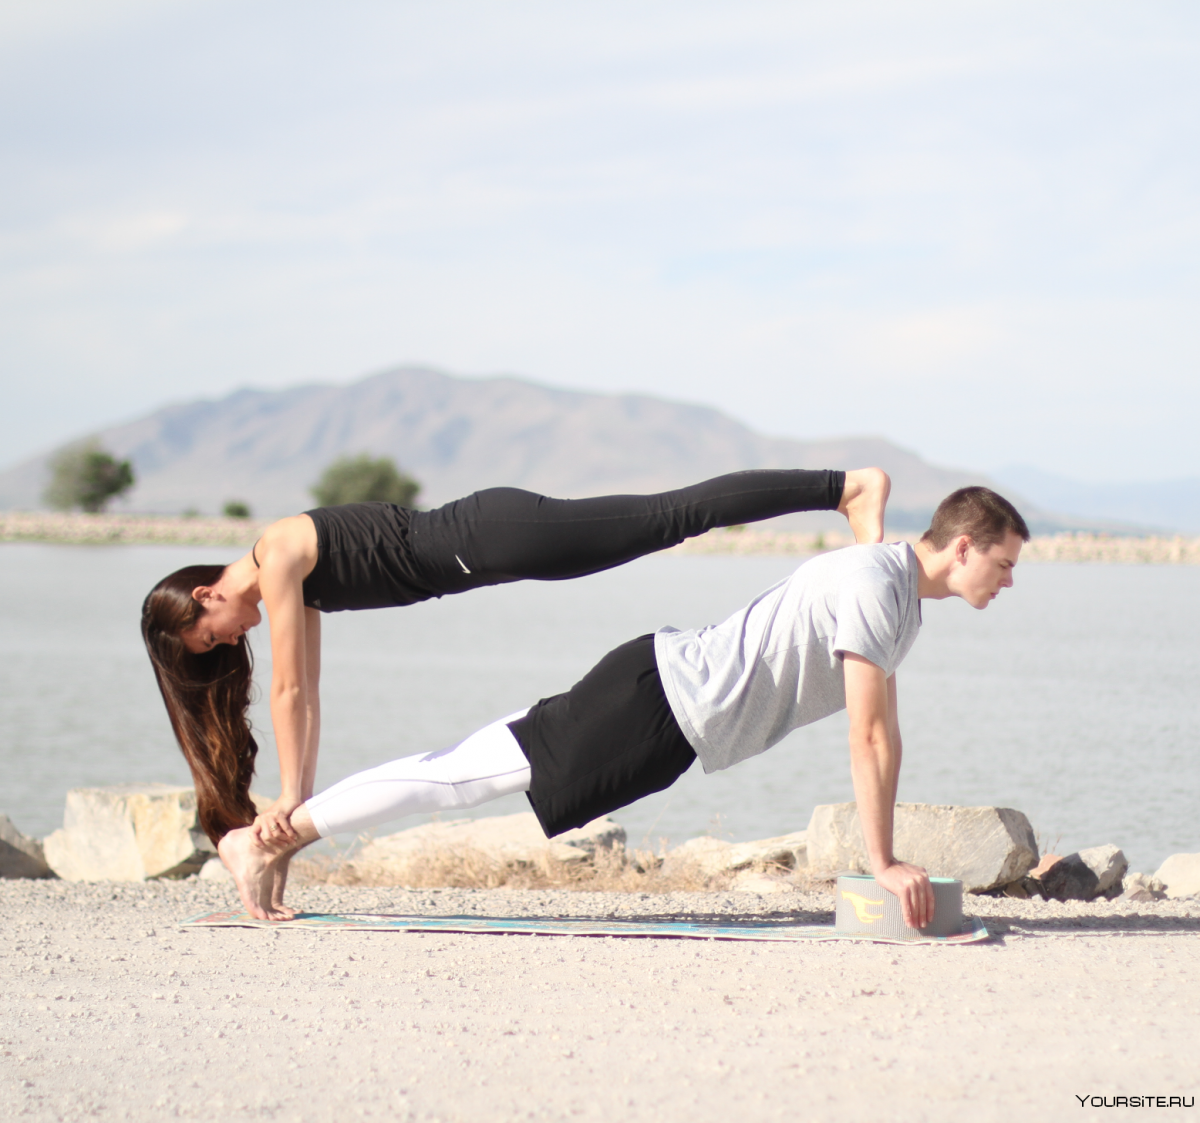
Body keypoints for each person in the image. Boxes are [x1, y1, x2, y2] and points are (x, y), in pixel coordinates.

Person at [217, 486, 1030, 925]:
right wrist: (883, 862)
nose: (1008, 580)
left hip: (665, 707)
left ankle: (280, 835)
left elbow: (884, 734)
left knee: (468, 769)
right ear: (963, 545)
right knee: (463, 778)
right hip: (657, 705)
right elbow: (869, 734)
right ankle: (268, 838)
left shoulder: (894, 591)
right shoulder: (878, 583)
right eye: (1003, 562)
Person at [142, 468, 891, 861]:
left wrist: (290, 796)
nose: (228, 643)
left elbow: (286, 689)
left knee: (670, 518)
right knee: (666, 522)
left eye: (210, 637)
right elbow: (304, 693)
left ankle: (845, 487)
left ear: (205, 595)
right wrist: (296, 797)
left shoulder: (276, 555)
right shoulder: (290, 579)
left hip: (486, 536)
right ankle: (840, 492)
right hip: (488, 551)